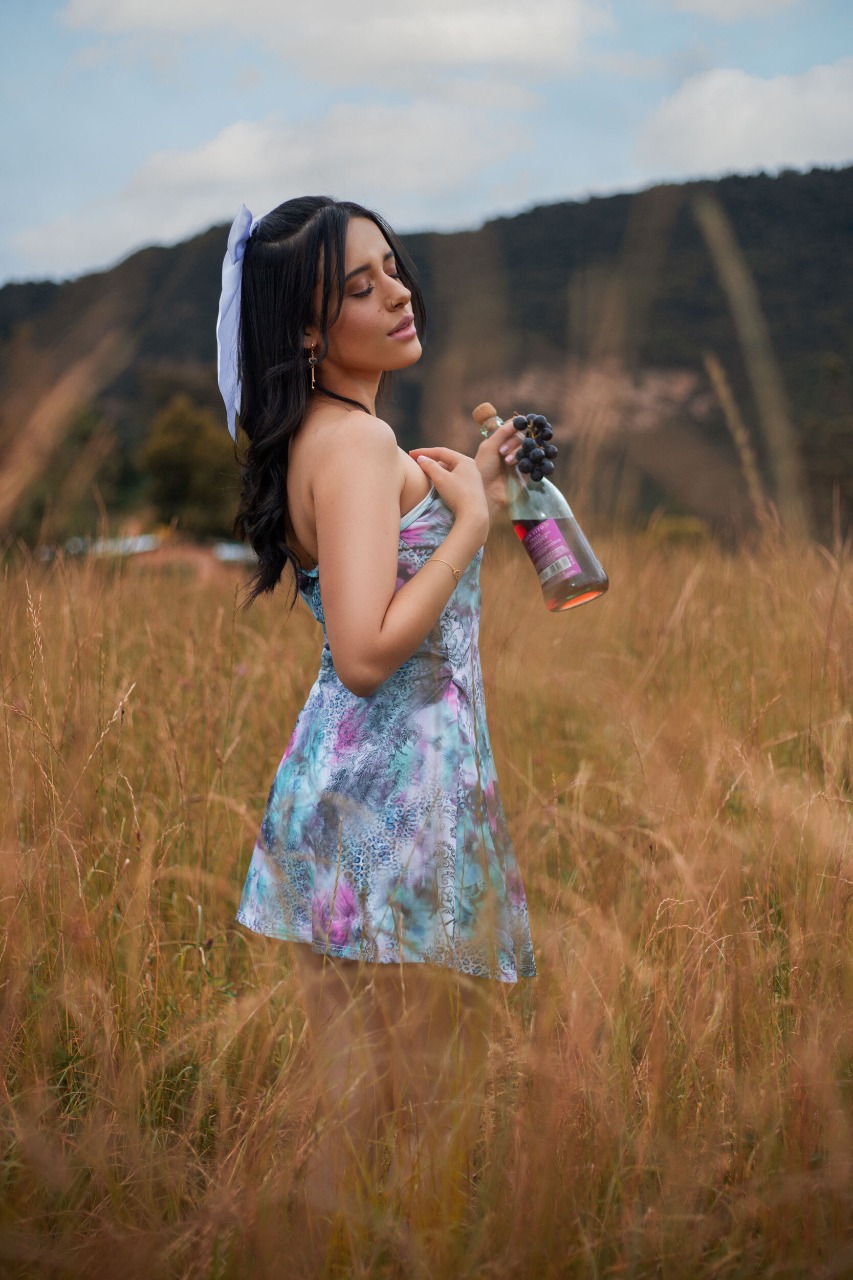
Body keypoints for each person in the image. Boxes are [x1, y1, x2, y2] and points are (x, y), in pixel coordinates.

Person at [215, 196, 537, 1243]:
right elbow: (363, 653)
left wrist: (471, 490)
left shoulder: (329, 436)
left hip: (360, 789)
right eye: (361, 286)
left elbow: (384, 582)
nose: (397, 293)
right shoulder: (358, 440)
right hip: (392, 801)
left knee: (362, 1107)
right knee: (412, 1117)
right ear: (308, 331)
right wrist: (472, 523)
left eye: (391, 267)